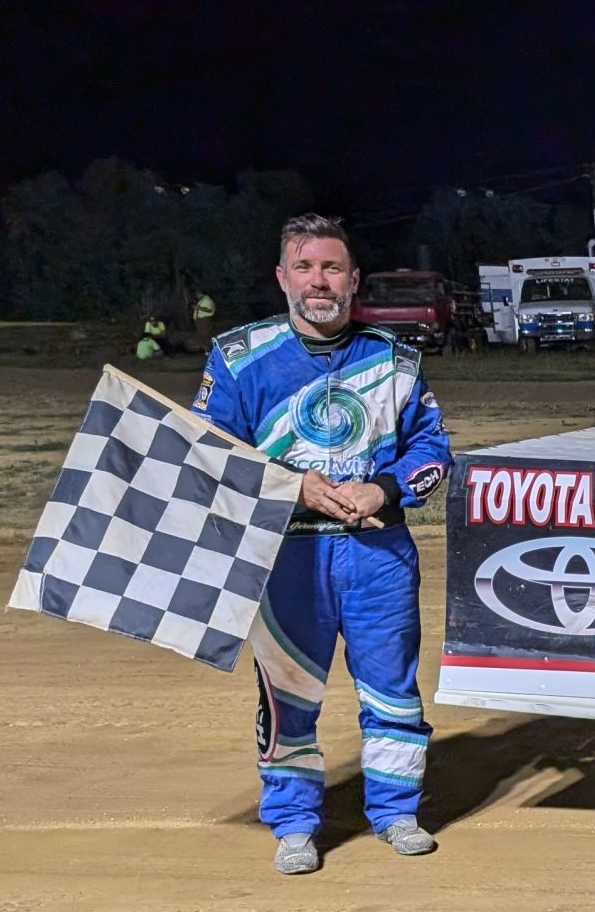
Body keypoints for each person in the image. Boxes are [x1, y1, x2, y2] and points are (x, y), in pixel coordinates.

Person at [192, 214, 451, 874]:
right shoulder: (238, 357)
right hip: (285, 557)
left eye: (332, 268)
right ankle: (294, 825)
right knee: (288, 697)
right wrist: (291, 485)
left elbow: (433, 451)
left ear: (354, 279)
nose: (319, 281)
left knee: (393, 691)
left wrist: (385, 489)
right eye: (304, 267)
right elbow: (207, 453)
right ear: (282, 278)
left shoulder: (395, 359)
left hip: (378, 554)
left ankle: (396, 813)